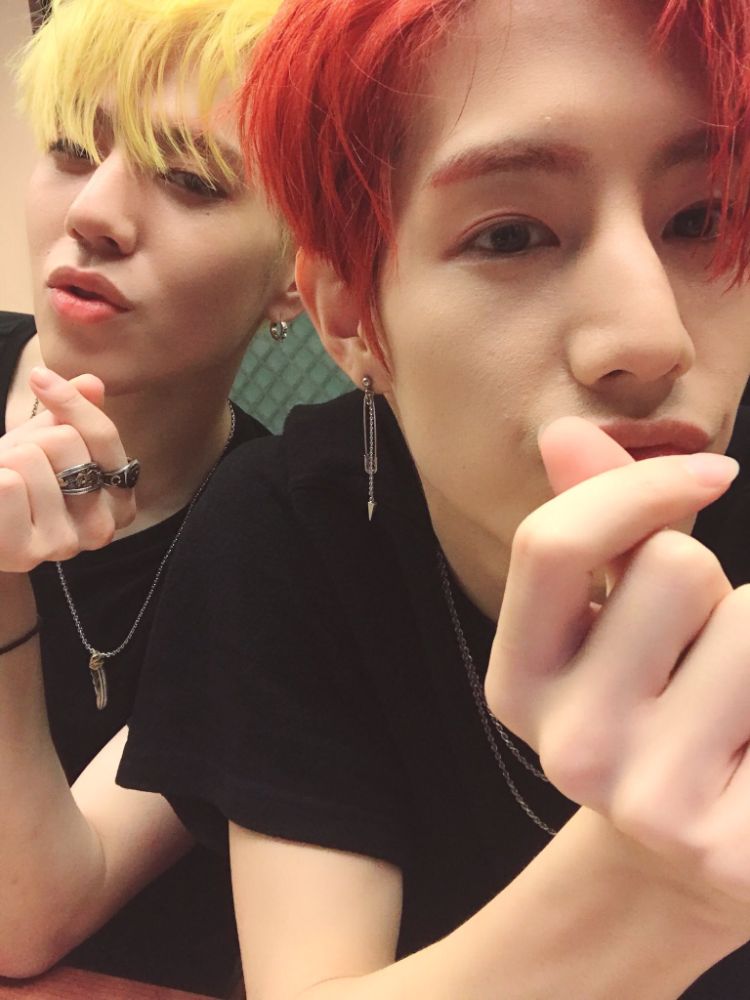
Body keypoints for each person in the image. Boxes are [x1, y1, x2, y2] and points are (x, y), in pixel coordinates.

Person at [119, 0, 750, 996]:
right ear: (349, 316)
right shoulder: (288, 529)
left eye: (702, 219)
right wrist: (647, 892)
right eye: (512, 234)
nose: (649, 338)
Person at [0, 0, 297, 995]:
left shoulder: (286, 539)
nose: (94, 212)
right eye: (72, 150)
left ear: (299, 274)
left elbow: (28, 915)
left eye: (192, 179)